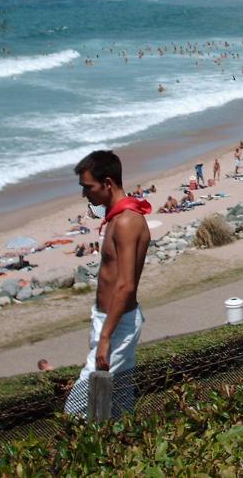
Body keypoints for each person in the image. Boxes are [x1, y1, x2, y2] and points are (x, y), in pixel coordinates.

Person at [65, 150, 151, 419]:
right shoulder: (118, 218)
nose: (85, 195)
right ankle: (123, 451)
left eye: (88, 187)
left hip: (117, 324)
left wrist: (105, 338)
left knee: (77, 408)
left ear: (108, 183)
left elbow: (125, 285)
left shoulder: (126, 221)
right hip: (111, 319)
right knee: (120, 401)